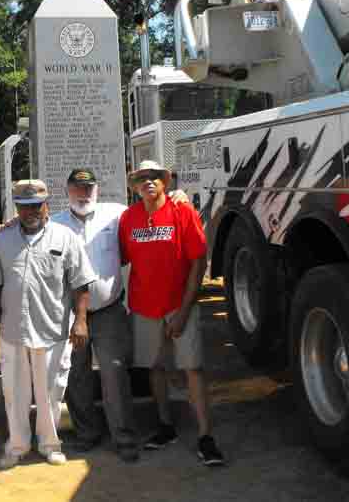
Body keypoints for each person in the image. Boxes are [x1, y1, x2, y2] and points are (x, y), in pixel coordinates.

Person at [118, 160, 227, 467]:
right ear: (135, 186)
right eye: (142, 178)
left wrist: (184, 310)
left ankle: (206, 437)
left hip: (180, 305)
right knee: (155, 367)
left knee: (192, 368)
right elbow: (120, 254)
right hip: (143, 306)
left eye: (154, 177)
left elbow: (199, 260)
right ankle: (165, 426)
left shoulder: (182, 211)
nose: (148, 182)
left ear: (164, 182)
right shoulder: (128, 218)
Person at [0, 179, 95, 468]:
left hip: (52, 330)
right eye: (24, 207)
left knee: (51, 391)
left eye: (36, 205)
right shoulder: (2, 240)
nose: (31, 212)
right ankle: (17, 445)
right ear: (17, 208)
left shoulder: (65, 238)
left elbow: (81, 283)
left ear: (46, 205)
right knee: (14, 392)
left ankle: (50, 444)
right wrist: (1, 320)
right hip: (14, 331)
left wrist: (81, 321)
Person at [51, 168, 139, 462]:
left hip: (109, 311)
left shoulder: (117, 214)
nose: (84, 193)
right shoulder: (54, 224)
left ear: (97, 190)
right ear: (67, 191)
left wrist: (176, 195)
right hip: (71, 315)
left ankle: (123, 436)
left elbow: (148, 212)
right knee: (77, 376)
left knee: (114, 373)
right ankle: (87, 434)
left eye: (88, 188)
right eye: (77, 188)